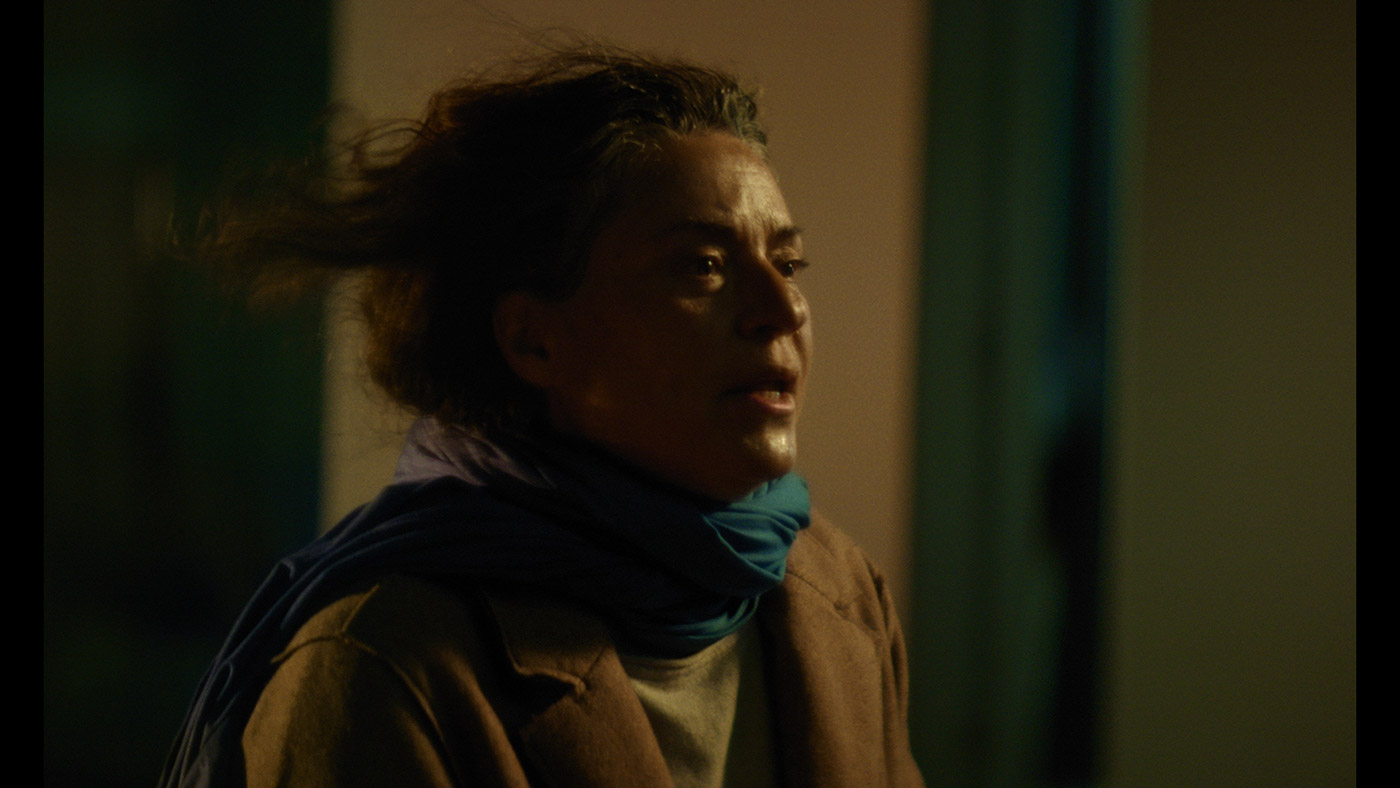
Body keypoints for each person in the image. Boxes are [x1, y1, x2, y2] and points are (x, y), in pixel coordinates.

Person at [160, 45, 924, 788]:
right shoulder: (384, 665)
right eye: (702, 266)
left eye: (788, 263)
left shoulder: (838, 591)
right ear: (533, 339)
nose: (783, 309)